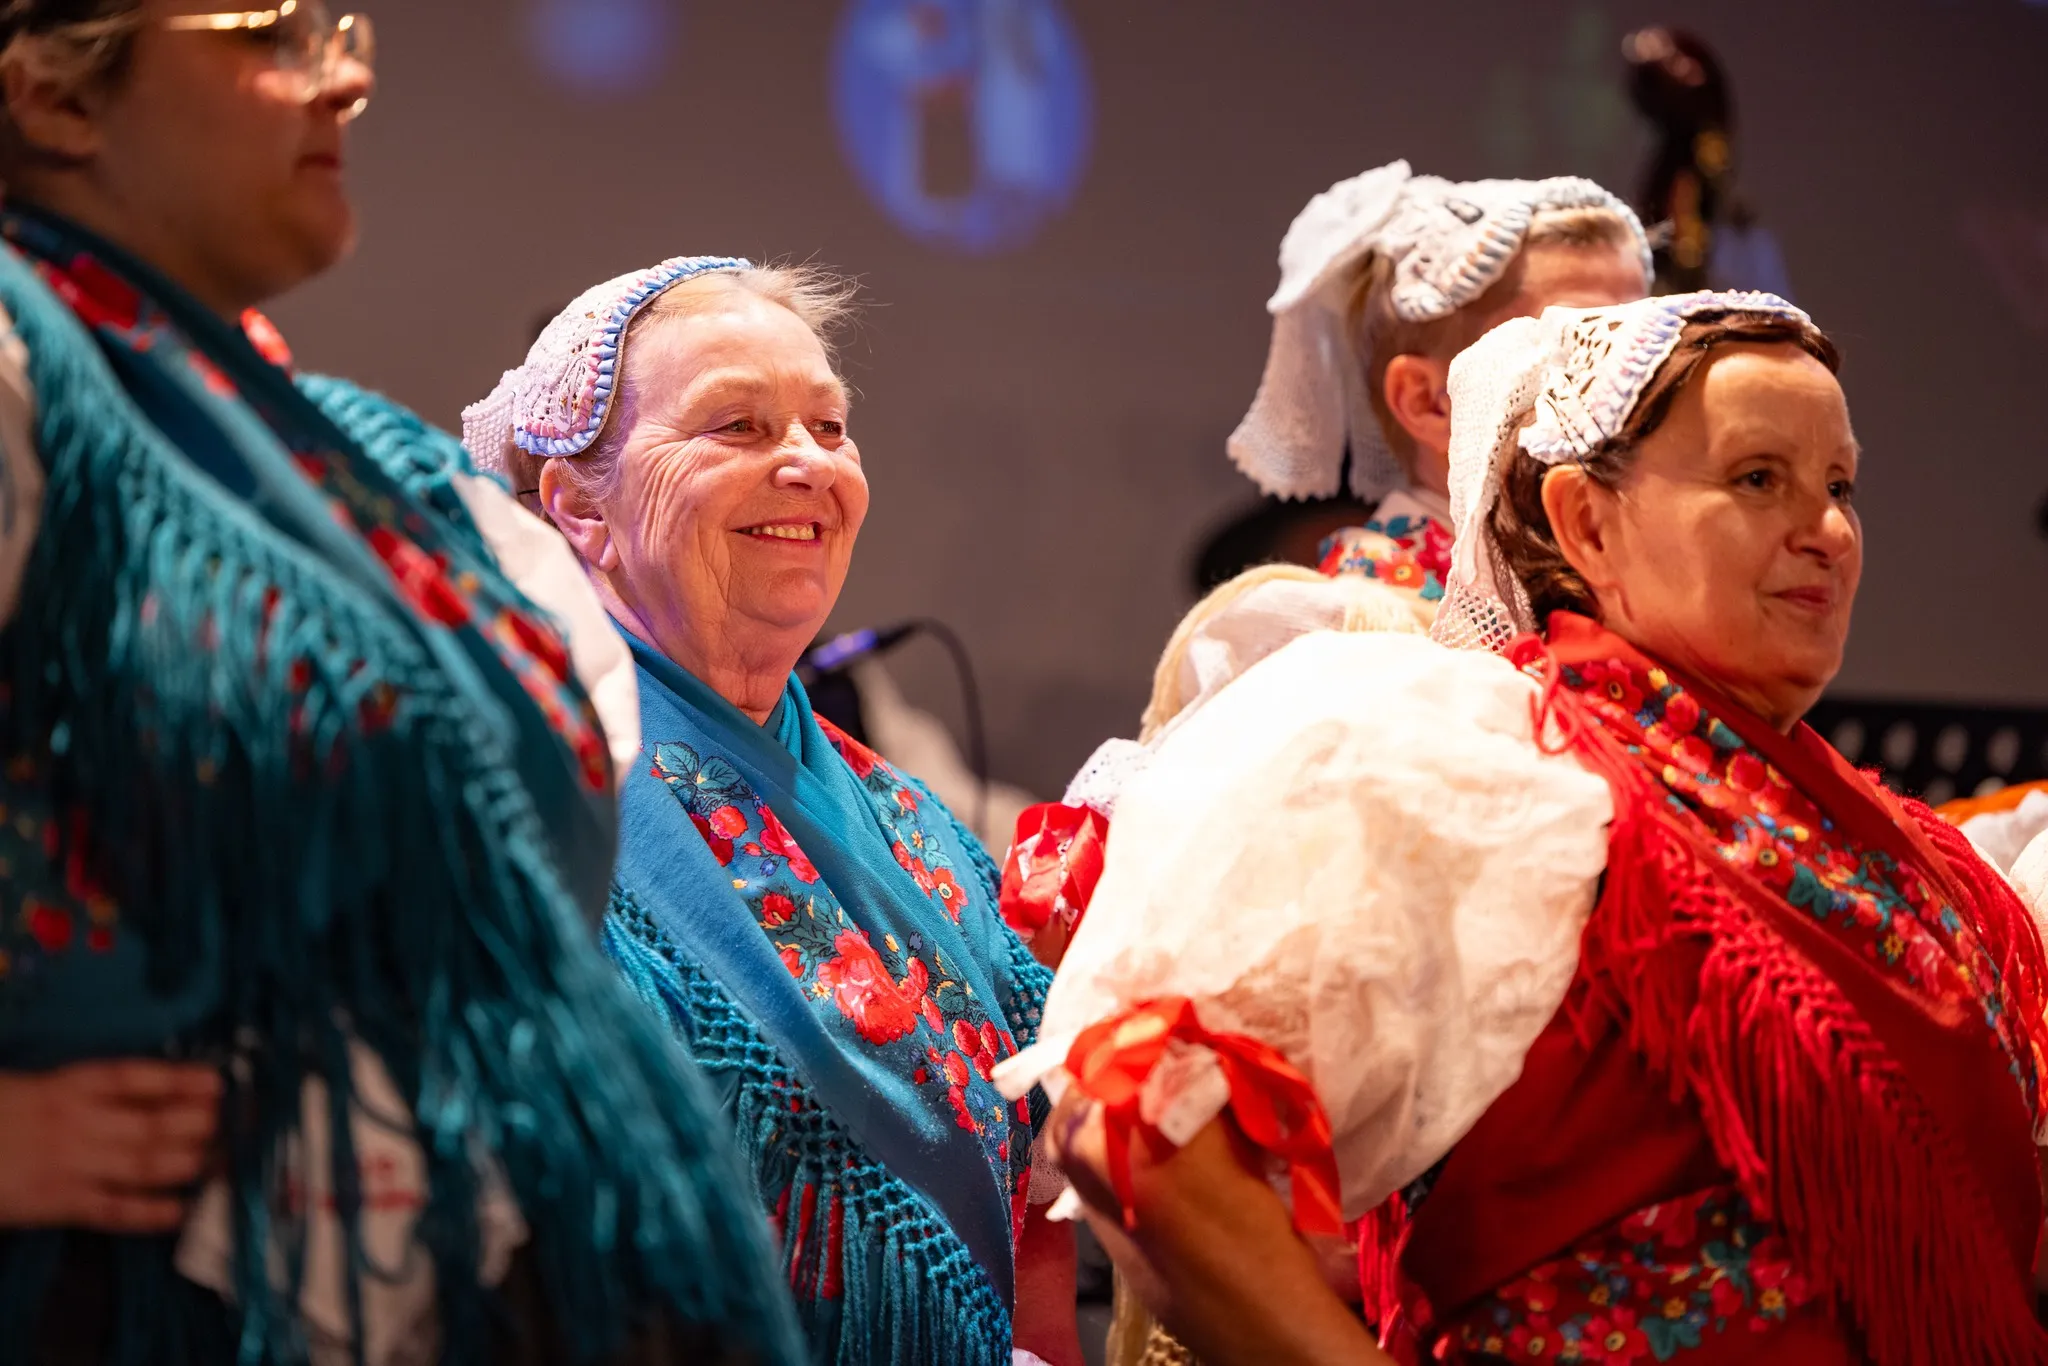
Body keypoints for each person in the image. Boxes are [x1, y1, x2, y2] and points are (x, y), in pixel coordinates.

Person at [1010, 291, 2048, 1364]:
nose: (1825, 528)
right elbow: (1136, 1127)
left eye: (1839, 484)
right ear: (1584, 521)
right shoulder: (1486, 765)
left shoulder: (1899, 849)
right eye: (1755, 478)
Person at [0, 3, 802, 1362]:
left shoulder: (359, 462)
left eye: (339, 26)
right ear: (56, 101)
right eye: (269, 32)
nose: (349, 75)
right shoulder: (27, 375)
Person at [462, 258, 1076, 1366]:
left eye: (829, 426)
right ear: (577, 506)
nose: (805, 461)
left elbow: (1034, 1148)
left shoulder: (905, 812)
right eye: (736, 426)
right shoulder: (520, 796)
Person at [999, 162, 1649, 969]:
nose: (1629, 396)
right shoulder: (1327, 637)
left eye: (1644, 356)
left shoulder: (1636, 619)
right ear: (1428, 401)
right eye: (1579, 348)